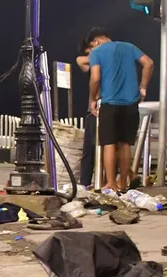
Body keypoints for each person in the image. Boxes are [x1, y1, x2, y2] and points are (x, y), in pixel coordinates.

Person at [87, 27, 154, 193]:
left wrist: (93, 99)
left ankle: (110, 183)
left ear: (95, 42)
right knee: (125, 144)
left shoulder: (97, 52)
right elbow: (149, 63)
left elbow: (95, 78)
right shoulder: (129, 47)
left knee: (108, 143)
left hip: (110, 103)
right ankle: (123, 183)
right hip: (131, 102)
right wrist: (143, 87)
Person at [76, 39, 97, 189]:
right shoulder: (94, 63)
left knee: (101, 149)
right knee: (88, 151)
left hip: (101, 108)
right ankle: (85, 183)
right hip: (92, 111)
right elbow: (80, 61)